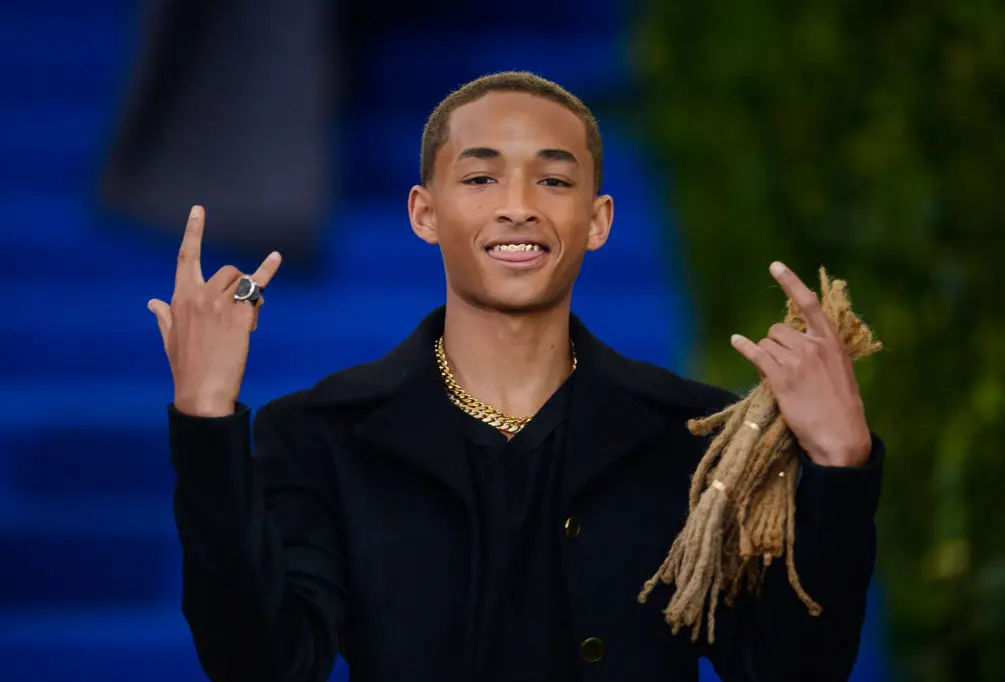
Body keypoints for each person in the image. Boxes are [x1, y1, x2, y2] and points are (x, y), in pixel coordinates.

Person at [149, 72, 883, 682]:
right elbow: (264, 665)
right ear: (424, 213)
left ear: (597, 220)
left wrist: (840, 463)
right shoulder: (321, 435)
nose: (519, 207)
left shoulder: (692, 439)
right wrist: (206, 419)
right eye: (480, 177)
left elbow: (790, 669)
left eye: (553, 180)